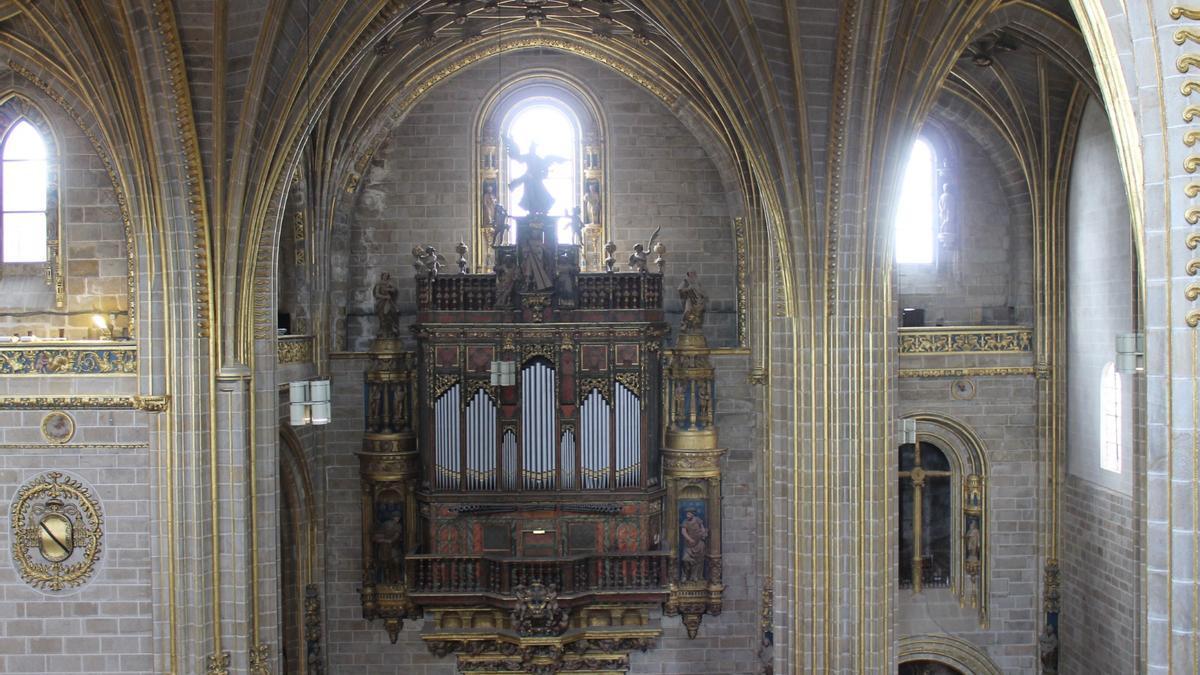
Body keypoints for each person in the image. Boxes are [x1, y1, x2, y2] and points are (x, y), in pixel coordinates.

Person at [506, 136, 565, 215]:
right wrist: (513, 146)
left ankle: (541, 208)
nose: (532, 150)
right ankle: (532, 209)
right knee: (530, 195)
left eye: (533, 148)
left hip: (536, 179)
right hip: (528, 180)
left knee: (542, 193)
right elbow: (518, 158)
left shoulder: (538, 158)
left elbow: (544, 167)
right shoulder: (527, 156)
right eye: (531, 148)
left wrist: (545, 172)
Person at [373, 513, 404, 582]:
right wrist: (382, 539)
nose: (397, 519)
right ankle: (386, 580)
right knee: (385, 564)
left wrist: (389, 540)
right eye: (396, 517)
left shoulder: (398, 526)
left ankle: (397, 579)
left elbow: (396, 537)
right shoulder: (386, 524)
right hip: (384, 548)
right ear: (393, 517)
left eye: (398, 517)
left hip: (394, 547)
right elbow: (378, 535)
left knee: (396, 562)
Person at [680, 509, 708, 582]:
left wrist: (703, 533)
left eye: (689, 514)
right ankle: (685, 575)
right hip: (689, 545)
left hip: (699, 543)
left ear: (693, 514)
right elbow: (683, 532)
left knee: (698, 561)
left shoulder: (698, 520)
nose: (687, 515)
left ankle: (694, 576)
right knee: (685, 559)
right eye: (687, 514)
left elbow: (702, 528)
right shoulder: (685, 522)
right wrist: (689, 539)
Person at [372, 272, 399, 338]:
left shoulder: (389, 283)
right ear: (382, 276)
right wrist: (385, 297)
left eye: (387, 276)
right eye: (384, 275)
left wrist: (389, 289)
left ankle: (392, 330)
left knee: (392, 314)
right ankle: (382, 331)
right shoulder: (379, 284)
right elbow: (377, 294)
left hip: (389, 302)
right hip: (381, 302)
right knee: (383, 317)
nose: (385, 277)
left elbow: (394, 290)